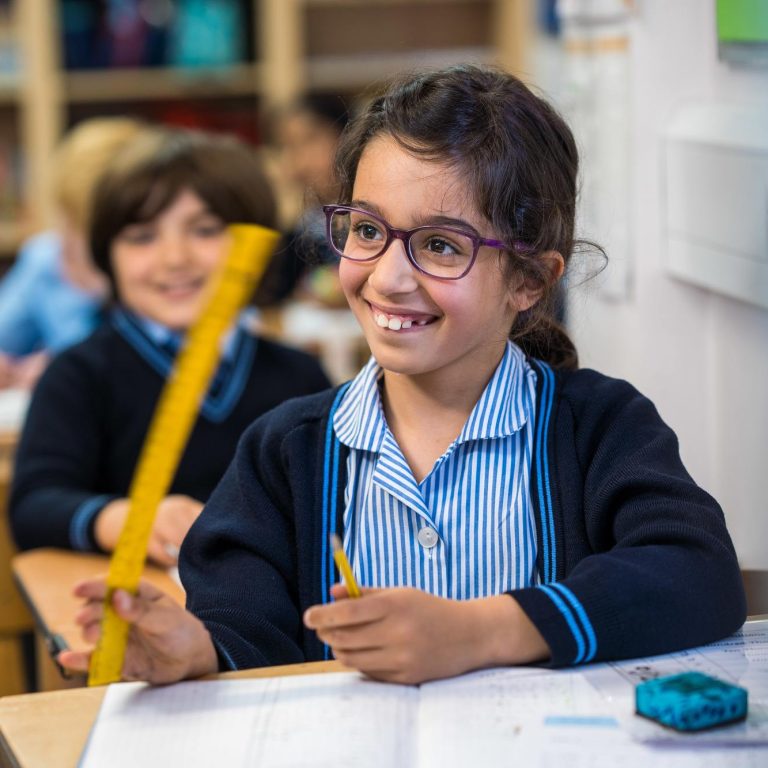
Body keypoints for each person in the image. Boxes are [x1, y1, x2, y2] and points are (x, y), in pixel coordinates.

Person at [59, 65, 745, 686]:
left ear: (530, 279)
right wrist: (196, 650)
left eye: (441, 245)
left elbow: (696, 575)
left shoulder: (598, 426)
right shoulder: (284, 451)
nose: (388, 277)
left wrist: (485, 631)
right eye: (365, 230)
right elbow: (248, 628)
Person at [10, 127, 331, 567]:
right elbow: (32, 507)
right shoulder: (80, 373)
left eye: (204, 230)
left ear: (254, 244)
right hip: (142, 606)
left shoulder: (299, 376)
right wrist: (122, 519)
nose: (174, 259)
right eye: (142, 237)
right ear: (108, 255)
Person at [0, 117, 146, 390]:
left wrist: (66, 369)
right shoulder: (44, 258)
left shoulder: (156, 273)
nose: (68, 241)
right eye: (67, 220)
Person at [256, 92, 350, 308]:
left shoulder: (375, 219)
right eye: (286, 147)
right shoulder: (301, 231)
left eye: (310, 140)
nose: (299, 161)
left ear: (348, 136)